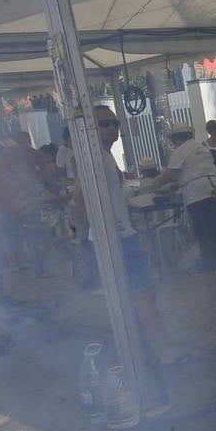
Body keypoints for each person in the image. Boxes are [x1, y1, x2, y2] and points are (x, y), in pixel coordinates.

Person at [76, 105, 180, 370]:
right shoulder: (94, 158)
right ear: (90, 128)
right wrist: (90, 239)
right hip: (117, 240)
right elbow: (80, 199)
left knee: (138, 295)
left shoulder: (105, 156)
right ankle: (164, 352)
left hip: (121, 236)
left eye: (115, 123)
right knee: (142, 295)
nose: (112, 128)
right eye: (104, 124)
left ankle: (143, 350)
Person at [140, 122, 216, 271]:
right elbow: (195, 171)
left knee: (202, 229)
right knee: (213, 228)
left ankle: (209, 264)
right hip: (213, 188)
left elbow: (169, 174)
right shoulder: (201, 148)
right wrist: (178, 184)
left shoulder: (181, 150)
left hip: (197, 193)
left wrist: (152, 186)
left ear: (176, 139)